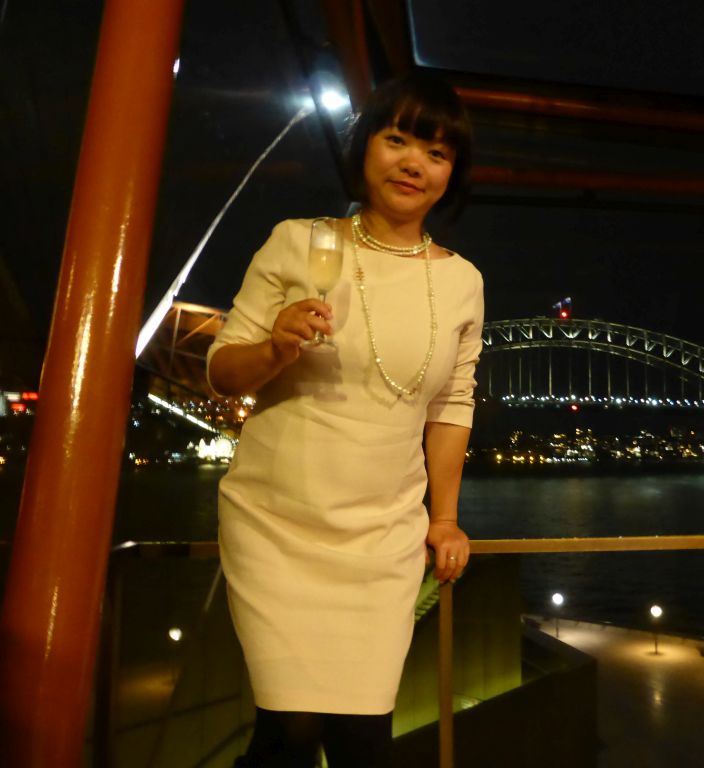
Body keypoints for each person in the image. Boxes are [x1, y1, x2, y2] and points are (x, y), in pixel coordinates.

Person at [206, 72, 482, 767]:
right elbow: (220, 367)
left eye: (438, 153)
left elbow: (451, 405)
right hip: (278, 525)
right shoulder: (298, 242)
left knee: (363, 741)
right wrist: (275, 346)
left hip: (381, 538)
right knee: (291, 733)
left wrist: (443, 518)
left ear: (453, 174)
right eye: (398, 140)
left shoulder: (462, 282)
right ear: (365, 148)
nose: (414, 163)